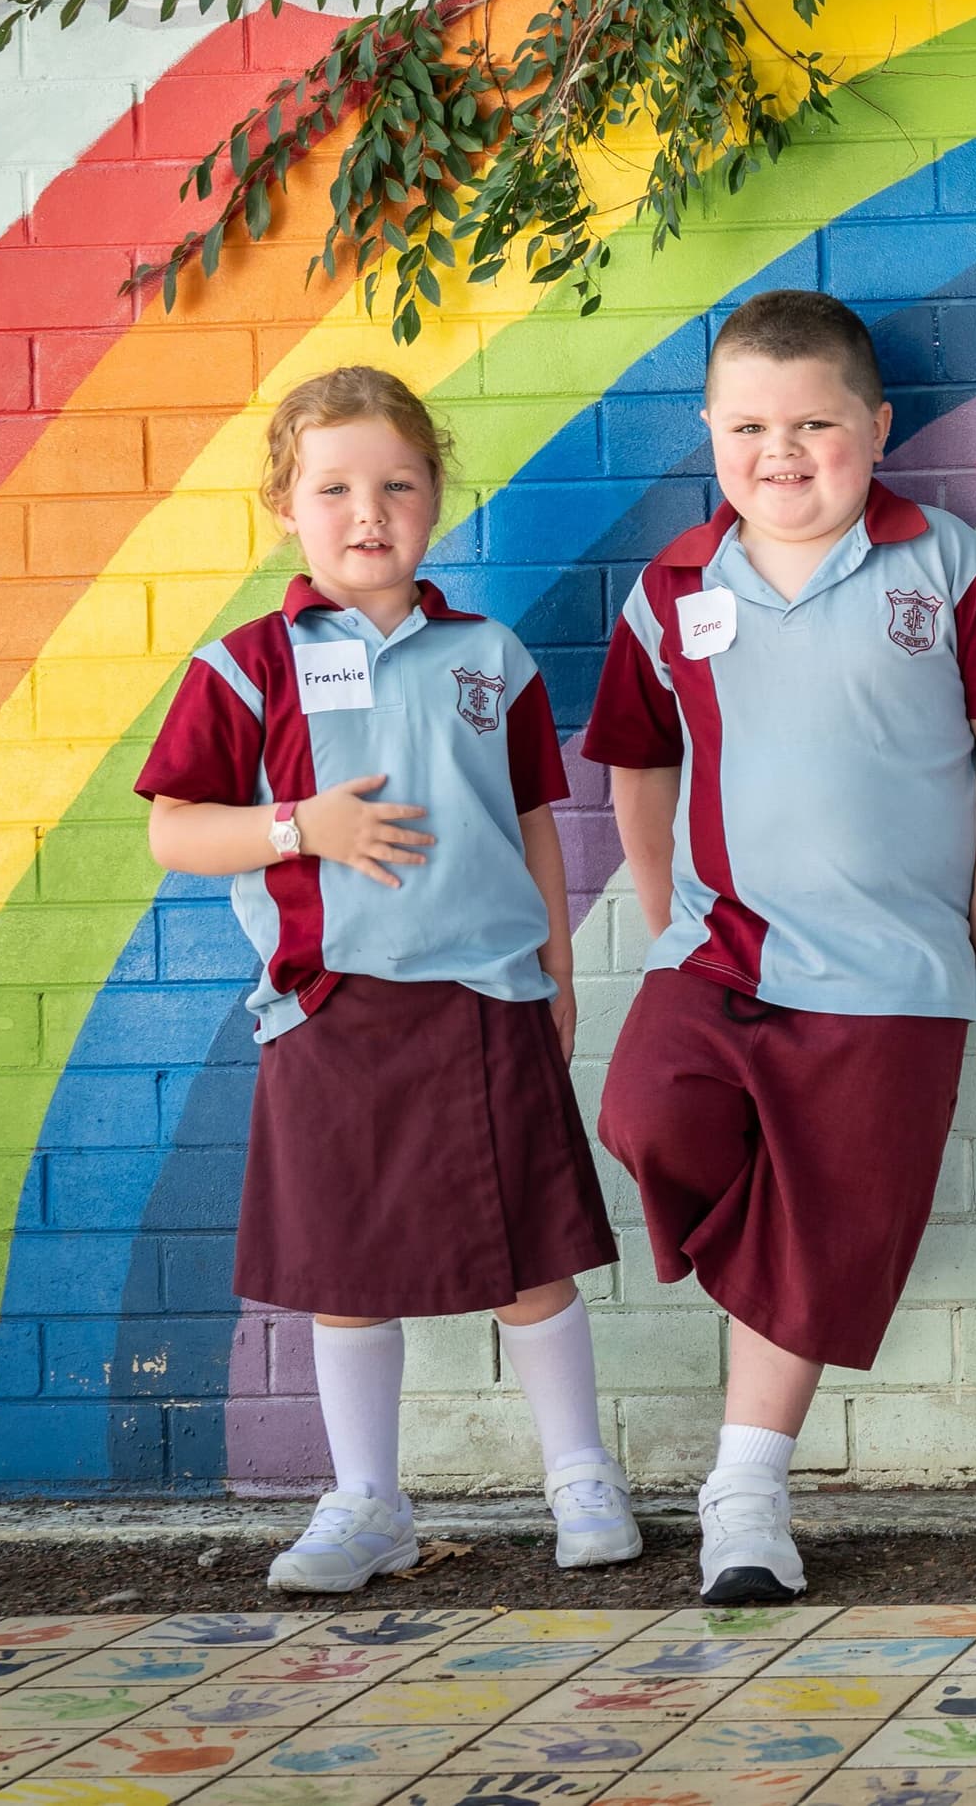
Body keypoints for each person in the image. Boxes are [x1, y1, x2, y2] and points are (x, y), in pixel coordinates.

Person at [584, 289, 976, 1600]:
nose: (782, 450)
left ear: (876, 426)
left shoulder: (945, 562)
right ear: (709, 429)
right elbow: (637, 755)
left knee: (817, 1235)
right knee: (645, 1116)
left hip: (893, 973)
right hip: (721, 952)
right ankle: (791, 1262)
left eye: (816, 423)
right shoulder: (675, 584)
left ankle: (746, 1491)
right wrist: (654, 904)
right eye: (748, 424)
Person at [137, 366, 631, 1590]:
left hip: (484, 999)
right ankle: (367, 1500)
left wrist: (557, 973)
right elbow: (176, 830)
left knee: (531, 1259)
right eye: (336, 486)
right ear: (286, 505)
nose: (370, 510)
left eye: (398, 483)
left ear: (435, 498)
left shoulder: (489, 655)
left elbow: (530, 819)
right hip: (330, 1006)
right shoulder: (246, 665)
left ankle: (579, 1471)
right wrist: (299, 827)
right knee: (348, 1276)